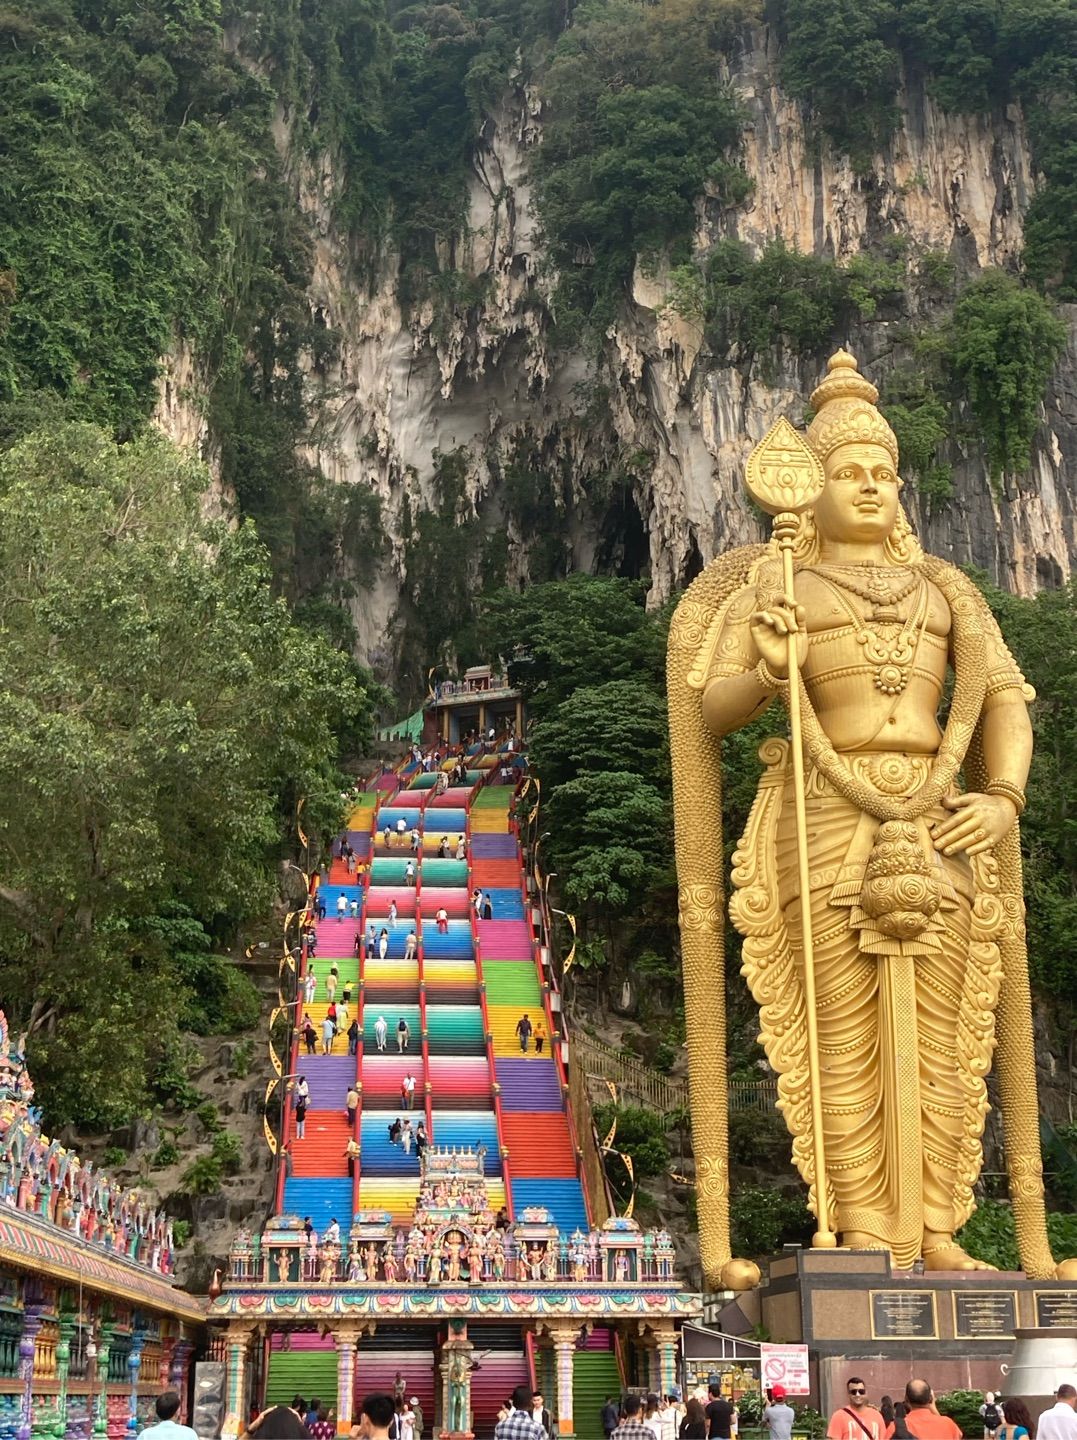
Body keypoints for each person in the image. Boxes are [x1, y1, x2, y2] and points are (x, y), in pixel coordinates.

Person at [674, 348, 1061, 1275]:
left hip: (941, 817)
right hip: (820, 813)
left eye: (884, 473)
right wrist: (770, 669)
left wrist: (1002, 798)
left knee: (945, 1032)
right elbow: (707, 706)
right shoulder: (776, 584)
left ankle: (934, 1227)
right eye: (849, 471)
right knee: (838, 1029)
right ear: (806, 489)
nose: (871, 487)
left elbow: (1003, 697)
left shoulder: (948, 591)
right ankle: (857, 1228)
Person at [888, 1383, 960, 1440]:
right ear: (931, 1398)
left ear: (906, 1399)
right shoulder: (948, 1424)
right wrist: (933, 1408)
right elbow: (958, 1435)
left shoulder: (895, 1427)